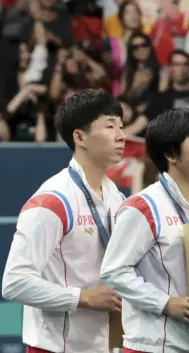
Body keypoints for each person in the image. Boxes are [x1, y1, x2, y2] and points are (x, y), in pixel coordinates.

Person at [2, 90, 126, 353]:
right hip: (56, 346)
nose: (121, 135)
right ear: (79, 137)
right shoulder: (52, 200)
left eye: (121, 126)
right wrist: (85, 298)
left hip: (104, 342)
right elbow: (14, 282)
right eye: (109, 126)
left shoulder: (115, 194)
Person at [100, 109, 189, 352]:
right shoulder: (143, 207)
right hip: (154, 345)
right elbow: (113, 272)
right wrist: (166, 303)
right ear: (171, 153)